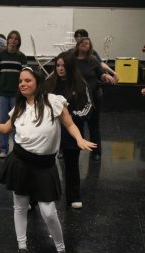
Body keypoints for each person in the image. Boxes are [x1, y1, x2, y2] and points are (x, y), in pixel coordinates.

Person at [0, 66, 97, 253]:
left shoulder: (53, 101)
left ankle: (61, 249)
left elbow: (69, 124)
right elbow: (5, 128)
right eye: (20, 81)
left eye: (27, 80)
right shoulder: (18, 107)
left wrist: (80, 138)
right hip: (20, 161)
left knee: (48, 211)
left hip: (45, 165)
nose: (22, 84)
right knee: (19, 206)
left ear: (37, 81)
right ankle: (22, 247)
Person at [46, 52, 93, 209]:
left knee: (72, 165)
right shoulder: (50, 82)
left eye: (63, 66)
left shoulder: (80, 84)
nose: (60, 69)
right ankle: (38, 197)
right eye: (57, 66)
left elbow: (88, 107)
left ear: (70, 67)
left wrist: (73, 117)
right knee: (43, 164)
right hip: (51, 131)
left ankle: (74, 196)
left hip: (72, 131)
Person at [73, 37, 115, 161]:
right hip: (76, 98)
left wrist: (105, 77)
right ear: (78, 45)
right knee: (73, 124)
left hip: (93, 98)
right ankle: (68, 150)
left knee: (93, 125)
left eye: (87, 43)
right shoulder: (71, 60)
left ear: (90, 46)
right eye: (82, 42)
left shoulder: (93, 60)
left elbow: (100, 74)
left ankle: (96, 152)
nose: (84, 44)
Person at [0, 30, 27, 158]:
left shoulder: (21, 57)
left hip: (16, 94)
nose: (13, 40)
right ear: (7, 40)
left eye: (16, 39)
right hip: (1, 92)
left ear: (19, 41)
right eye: (11, 38)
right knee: (2, 121)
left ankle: (17, 149)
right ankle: (4, 148)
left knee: (17, 121)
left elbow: (25, 76)